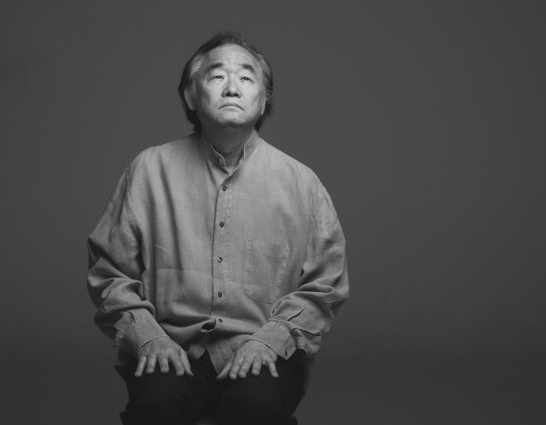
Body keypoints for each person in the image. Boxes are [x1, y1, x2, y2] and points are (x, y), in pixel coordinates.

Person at [87, 31, 349, 425]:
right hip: (172, 346)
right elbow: (109, 272)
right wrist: (148, 336)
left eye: (246, 77)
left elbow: (325, 284)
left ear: (264, 99)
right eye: (216, 76)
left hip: (263, 347)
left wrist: (272, 339)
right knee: (156, 408)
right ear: (191, 96)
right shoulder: (148, 170)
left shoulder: (302, 183)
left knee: (256, 408)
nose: (232, 87)